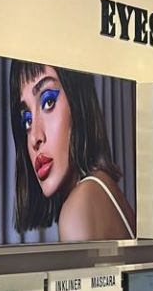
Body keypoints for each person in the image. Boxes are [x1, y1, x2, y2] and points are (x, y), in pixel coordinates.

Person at [9, 60, 136, 241]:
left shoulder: (79, 207)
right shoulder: (102, 187)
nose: (34, 137)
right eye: (27, 120)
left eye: (48, 102)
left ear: (78, 103)